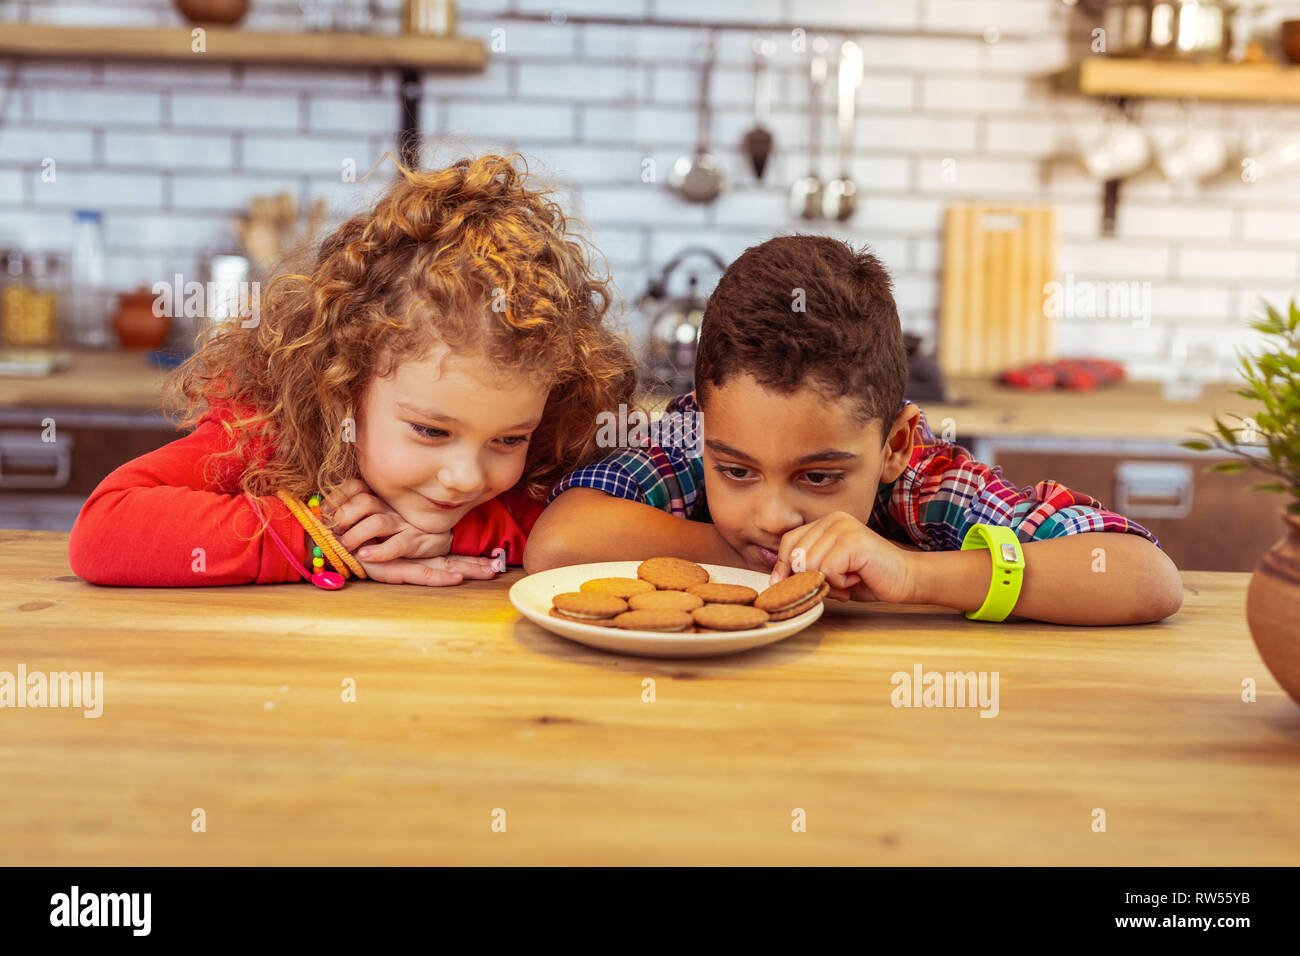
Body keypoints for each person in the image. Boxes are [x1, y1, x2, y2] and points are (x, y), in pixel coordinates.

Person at [524, 235, 1183, 626]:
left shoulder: (930, 482)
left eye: (818, 476)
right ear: (701, 424)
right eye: (737, 471)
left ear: (894, 445)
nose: (774, 512)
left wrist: (911, 573)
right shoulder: (696, 439)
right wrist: (781, 566)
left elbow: (1144, 576)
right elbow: (558, 540)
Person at [69, 153, 635, 588]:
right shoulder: (266, 428)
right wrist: (325, 538)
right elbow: (104, 531)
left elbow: (565, 529)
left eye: (509, 439)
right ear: (341, 383)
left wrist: (443, 534)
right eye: (431, 431)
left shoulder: (531, 457)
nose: (466, 477)